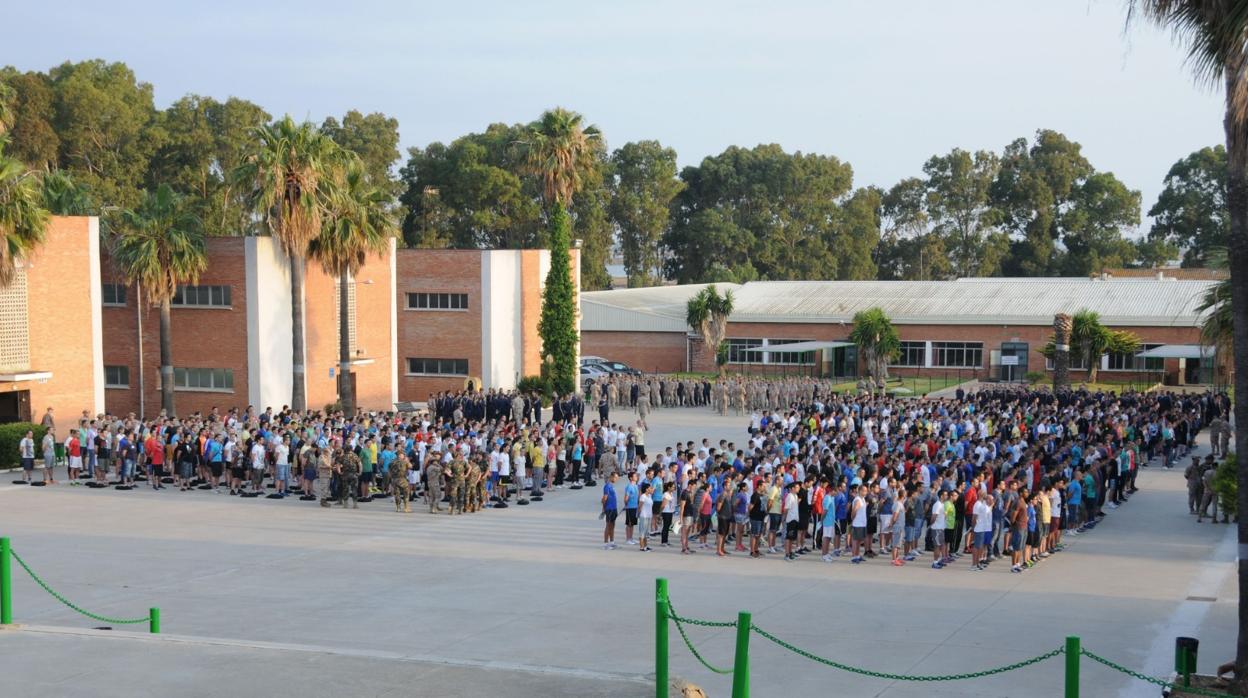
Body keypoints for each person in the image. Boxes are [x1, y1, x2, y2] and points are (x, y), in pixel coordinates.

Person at [601, 471, 619, 550]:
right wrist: (604, 508)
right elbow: (604, 498)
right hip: (609, 508)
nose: (616, 479)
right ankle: (605, 544)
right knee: (608, 526)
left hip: (614, 508)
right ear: (611, 477)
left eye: (617, 478)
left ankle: (612, 542)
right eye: (615, 477)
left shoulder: (612, 486)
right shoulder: (607, 486)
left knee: (613, 525)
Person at [638, 483, 654, 552]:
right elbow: (640, 507)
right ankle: (641, 547)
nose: (651, 489)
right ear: (646, 489)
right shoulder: (643, 496)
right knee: (642, 532)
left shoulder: (649, 496)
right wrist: (638, 515)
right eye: (650, 488)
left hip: (649, 516)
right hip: (643, 516)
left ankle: (646, 546)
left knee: (646, 532)